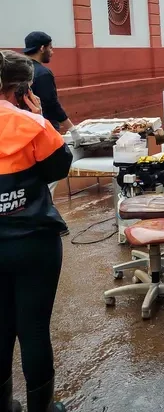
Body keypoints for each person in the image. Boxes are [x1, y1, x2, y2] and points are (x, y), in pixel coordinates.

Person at [0, 51, 72, 412]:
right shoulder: (33, 125)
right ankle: (41, 408)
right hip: (33, 244)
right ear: (21, 90)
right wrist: (37, 116)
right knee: (33, 329)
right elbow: (58, 167)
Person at [24, 32, 78, 204]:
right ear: (42, 48)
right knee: (50, 176)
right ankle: (46, 213)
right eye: (51, 47)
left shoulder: (19, 70)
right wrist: (73, 129)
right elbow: (52, 105)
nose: (52, 52)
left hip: (24, 131)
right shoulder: (42, 73)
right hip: (44, 130)